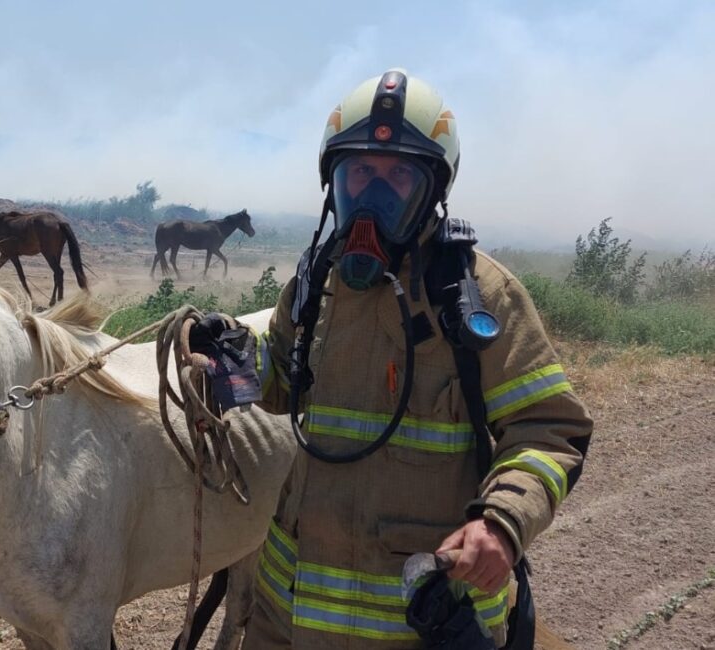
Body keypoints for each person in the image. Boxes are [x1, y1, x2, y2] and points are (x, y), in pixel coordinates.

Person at [193, 69, 593, 649]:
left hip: (424, 623)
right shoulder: (316, 282)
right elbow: (282, 380)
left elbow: (550, 428)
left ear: (432, 188)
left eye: (398, 175)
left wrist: (502, 522)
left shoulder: (480, 296)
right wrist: (225, 353)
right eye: (360, 173)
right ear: (334, 184)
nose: (374, 196)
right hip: (287, 618)